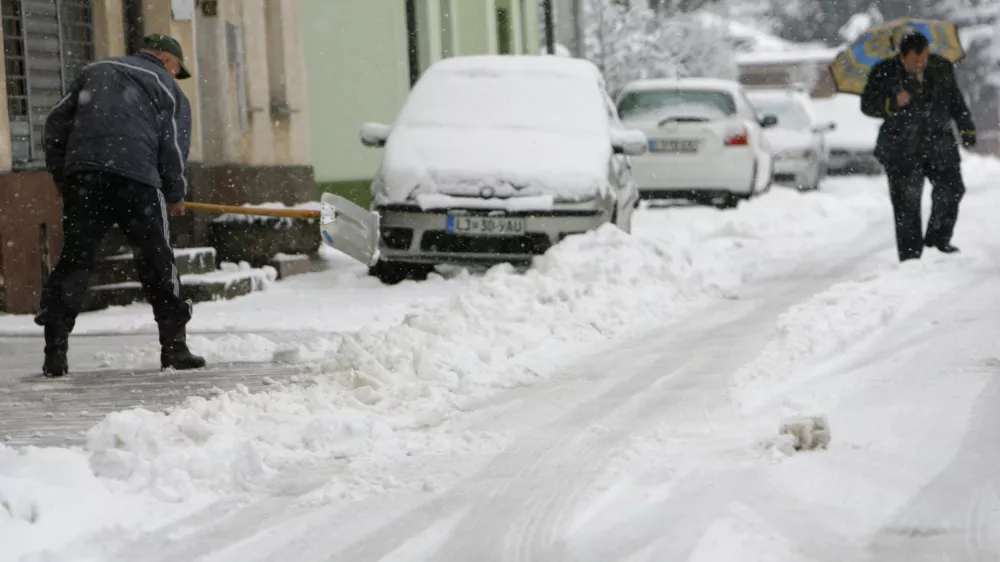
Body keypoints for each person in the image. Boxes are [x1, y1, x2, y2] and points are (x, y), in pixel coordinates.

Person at [34, 34, 206, 377]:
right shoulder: (168, 87)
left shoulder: (95, 71)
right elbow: (172, 147)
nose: (175, 76)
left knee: (75, 260)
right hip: (138, 179)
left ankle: (55, 352)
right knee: (157, 260)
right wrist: (175, 193)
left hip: (86, 177)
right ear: (167, 60)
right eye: (176, 69)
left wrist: (62, 175)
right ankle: (174, 348)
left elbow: (55, 122)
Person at [861, 30, 977, 262]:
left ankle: (938, 240)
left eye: (923, 57)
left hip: (939, 144)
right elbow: (868, 104)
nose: (920, 63)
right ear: (903, 56)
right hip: (901, 148)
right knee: (906, 205)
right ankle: (910, 257)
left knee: (952, 189)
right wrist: (892, 102)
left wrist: (967, 129)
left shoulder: (941, 67)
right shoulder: (884, 72)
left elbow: (956, 100)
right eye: (915, 59)